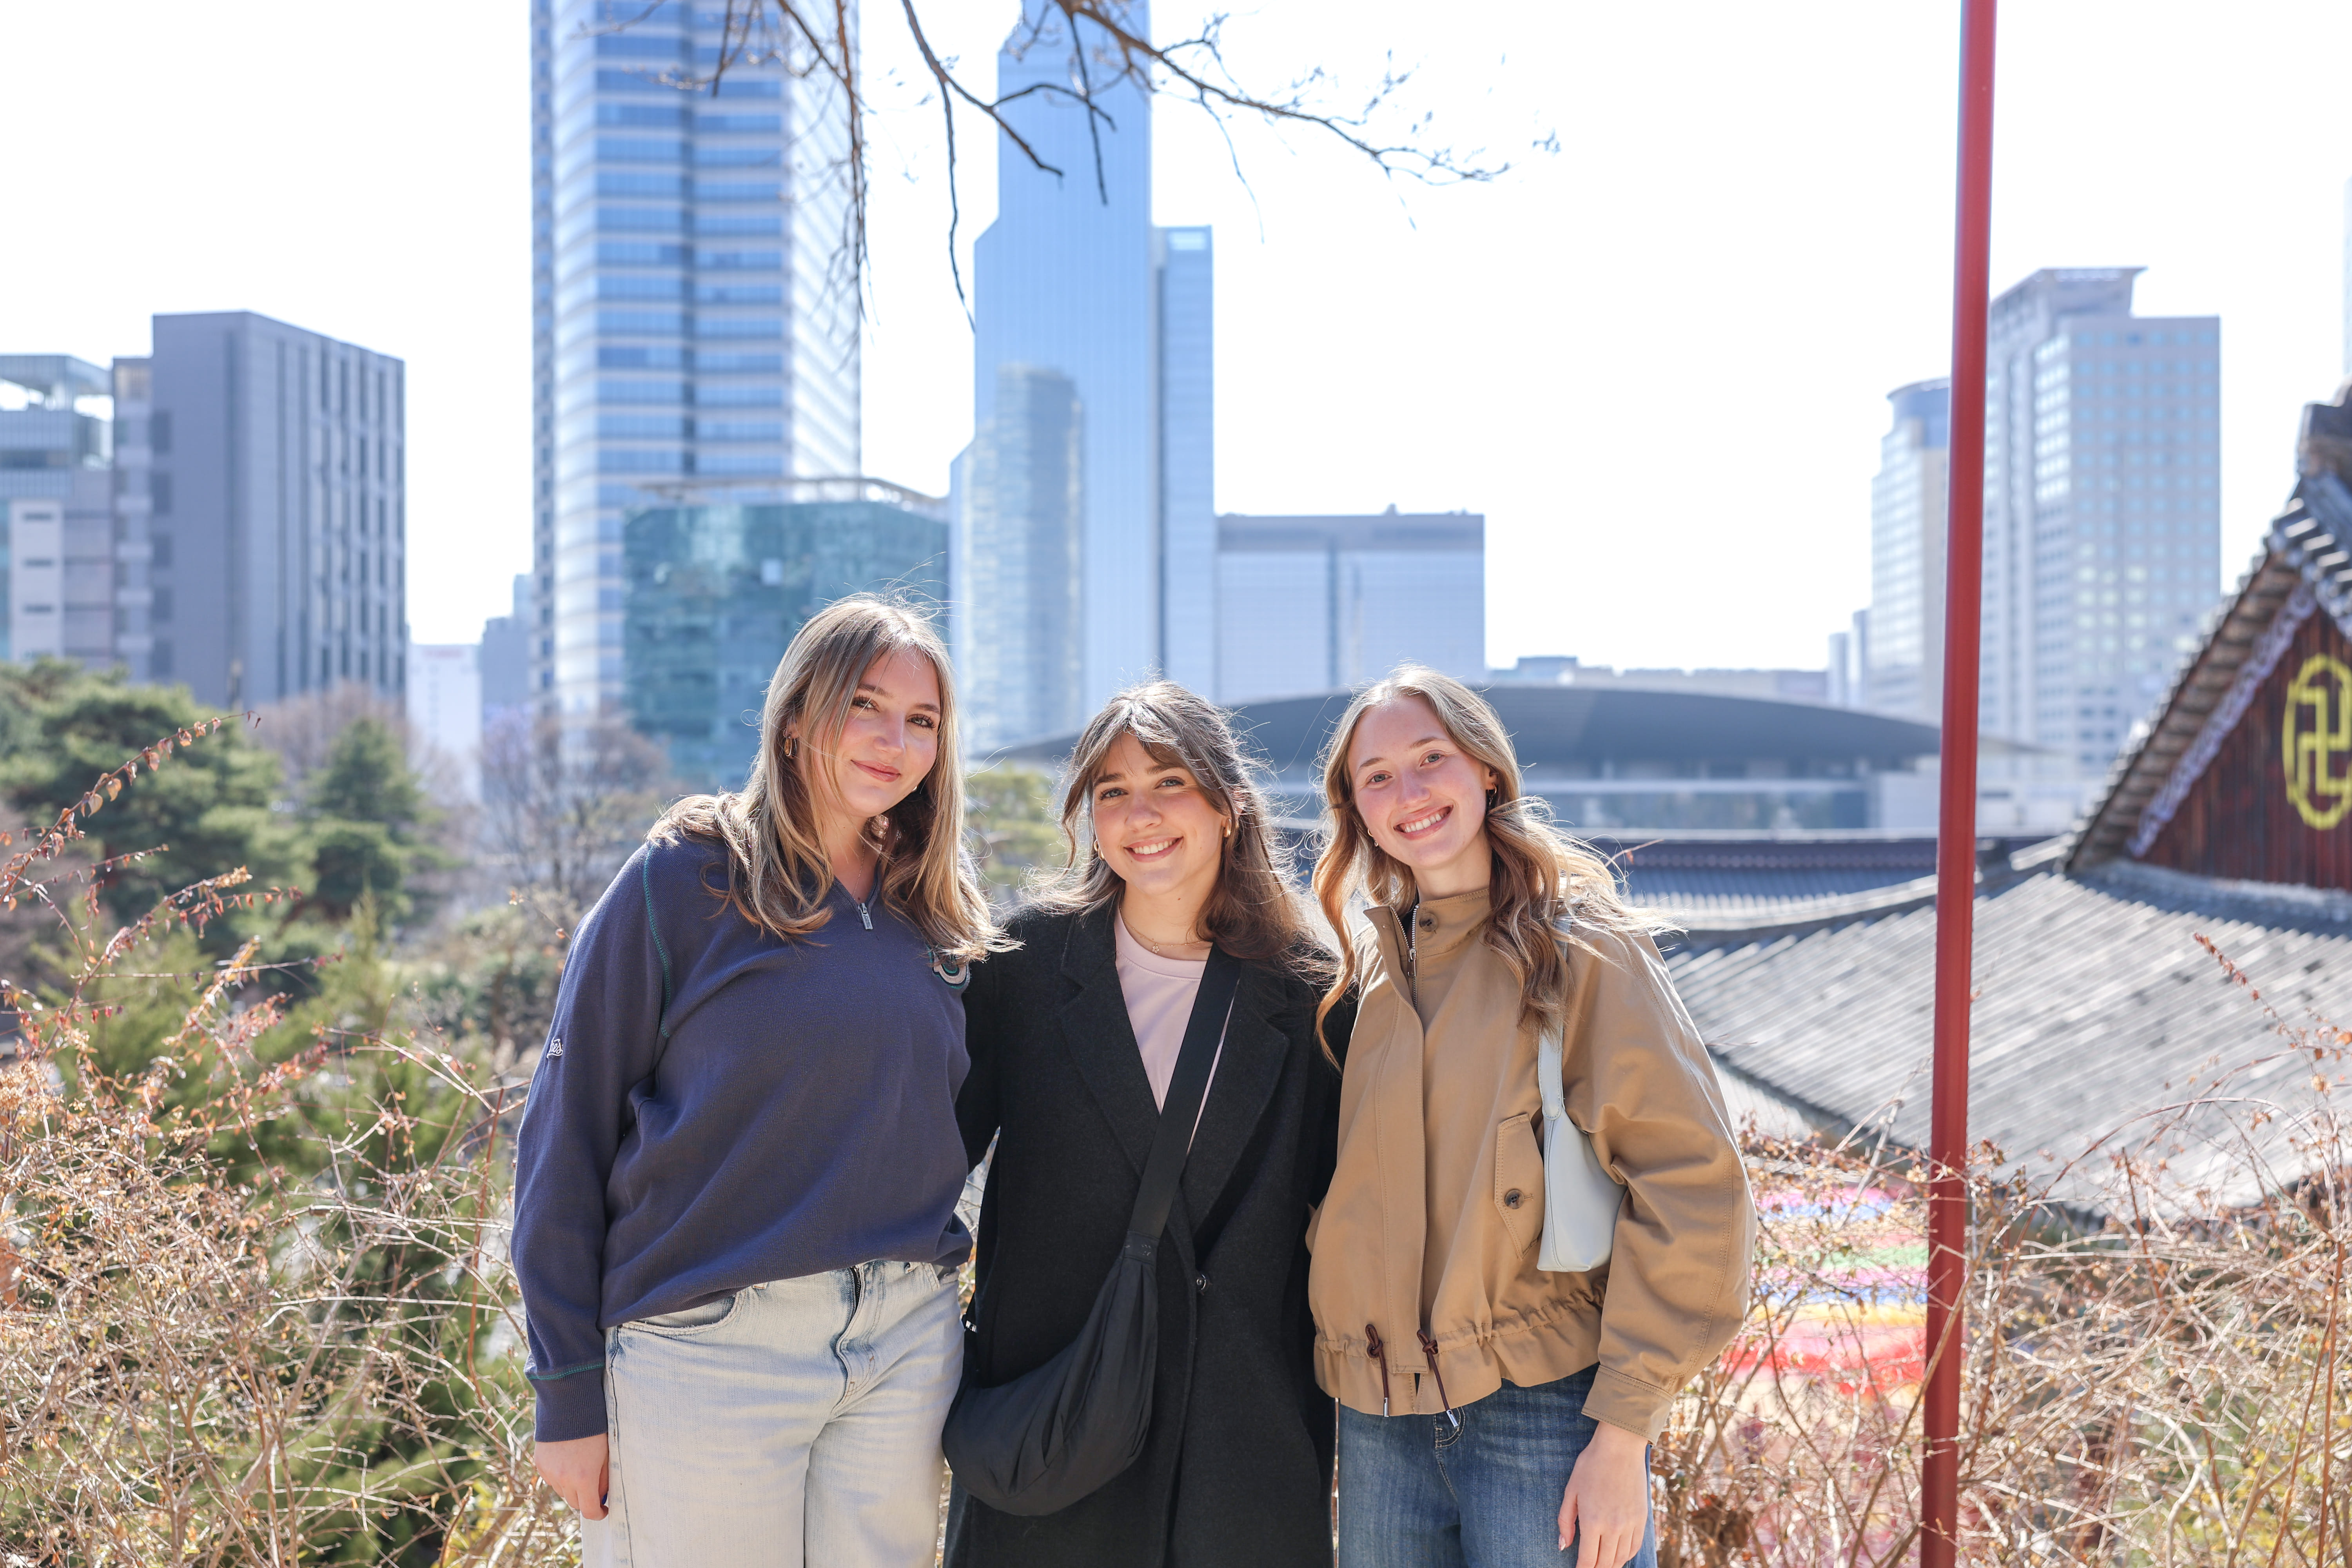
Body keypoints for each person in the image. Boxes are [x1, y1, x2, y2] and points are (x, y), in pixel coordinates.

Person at [512, 595, 1000, 1568]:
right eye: (865, 705)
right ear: (795, 717)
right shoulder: (684, 879)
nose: (895, 741)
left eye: (922, 720)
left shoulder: (934, 908)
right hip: (708, 1350)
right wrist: (566, 1389)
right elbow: (565, 1135)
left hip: (903, 1343)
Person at [1306, 667, 1757, 1568]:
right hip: (1381, 1414)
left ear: (1487, 769)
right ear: (1357, 811)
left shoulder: (1581, 947)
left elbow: (1694, 1185)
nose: (1410, 791)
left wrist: (1623, 1432)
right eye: (1378, 776)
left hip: (1545, 1408)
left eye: (1431, 758)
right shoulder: (1368, 970)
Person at [947, 681, 1356, 1568]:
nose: (1142, 814)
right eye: (1112, 790)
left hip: (1240, 1441)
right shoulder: (1024, 964)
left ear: (1229, 805)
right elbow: (931, 1163)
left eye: (1170, 782)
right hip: (1056, 1413)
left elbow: (1354, 1213)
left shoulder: (1312, 993)